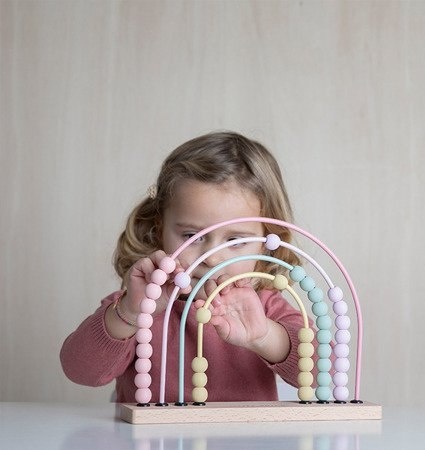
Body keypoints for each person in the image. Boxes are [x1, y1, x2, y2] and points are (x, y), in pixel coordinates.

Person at [60, 131, 307, 403]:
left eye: (235, 241)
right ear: (159, 230)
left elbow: (326, 371)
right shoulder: (139, 304)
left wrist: (264, 336)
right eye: (192, 236)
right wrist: (129, 313)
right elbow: (79, 371)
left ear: (267, 243)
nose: (212, 258)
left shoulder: (266, 307)